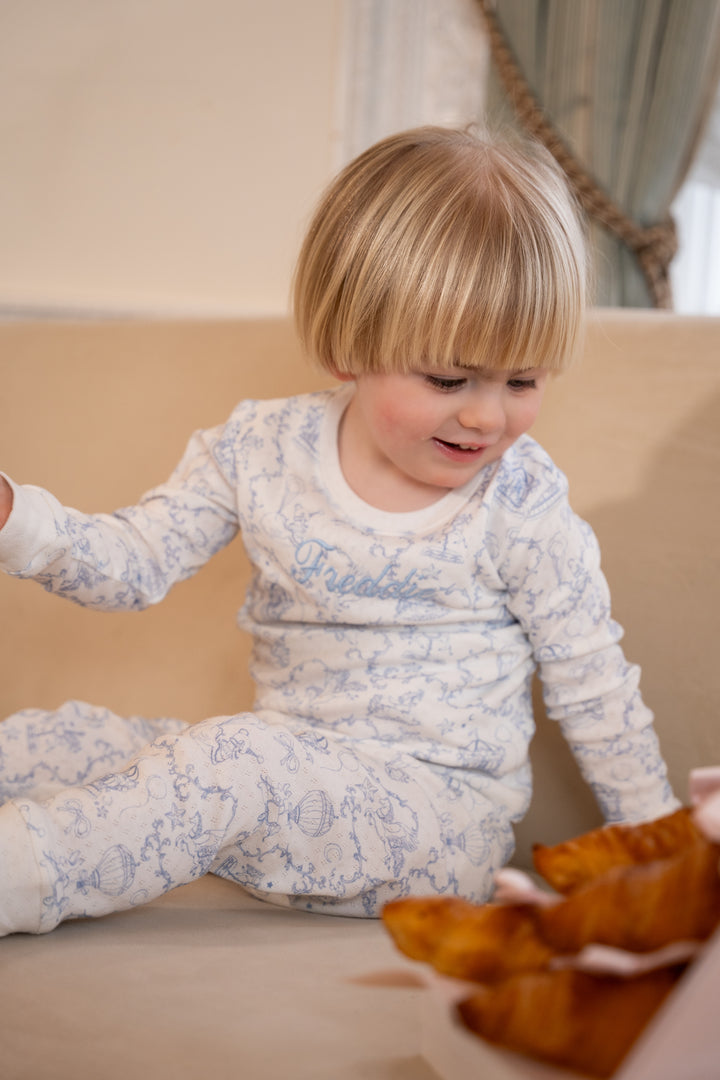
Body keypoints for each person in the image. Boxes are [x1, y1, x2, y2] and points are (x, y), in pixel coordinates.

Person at [0, 125, 678, 937]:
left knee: (229, 763)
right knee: (60, 744)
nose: (486, 415)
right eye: (449, 377)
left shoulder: (521, 501)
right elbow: (135, 563)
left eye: (523, 379)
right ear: (352, 343)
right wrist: (17, 518)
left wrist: (672, 858)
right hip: (288, 772)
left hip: (438, 825)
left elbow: (595, 689)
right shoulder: (260, 449)